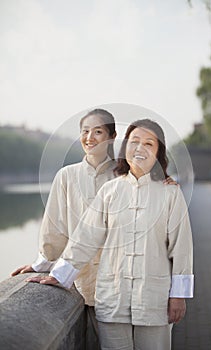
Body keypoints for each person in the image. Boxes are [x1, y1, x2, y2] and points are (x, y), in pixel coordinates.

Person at [11, 112, 176, 349]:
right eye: (85, 131)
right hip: (84, 283)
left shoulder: (127, 175)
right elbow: (55, 227)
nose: (90, 137)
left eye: (98, 131)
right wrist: (43, 263)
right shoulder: (66, 177)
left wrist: (164, 180)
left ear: (112, 136)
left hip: (128, 283)